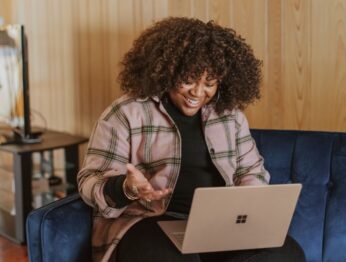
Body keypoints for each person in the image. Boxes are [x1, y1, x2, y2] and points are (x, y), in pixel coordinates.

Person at [78, 17, 305, 262]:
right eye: (188, 80)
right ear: (168, 72)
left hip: (219, 225)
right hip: (149, 221)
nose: (197, 93)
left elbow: (251, 171)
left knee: (287, 254)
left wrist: (246, 208)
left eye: (209, 83)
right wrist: (127, 187)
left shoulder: (230, 116)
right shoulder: (126, 113)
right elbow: (90, 182)